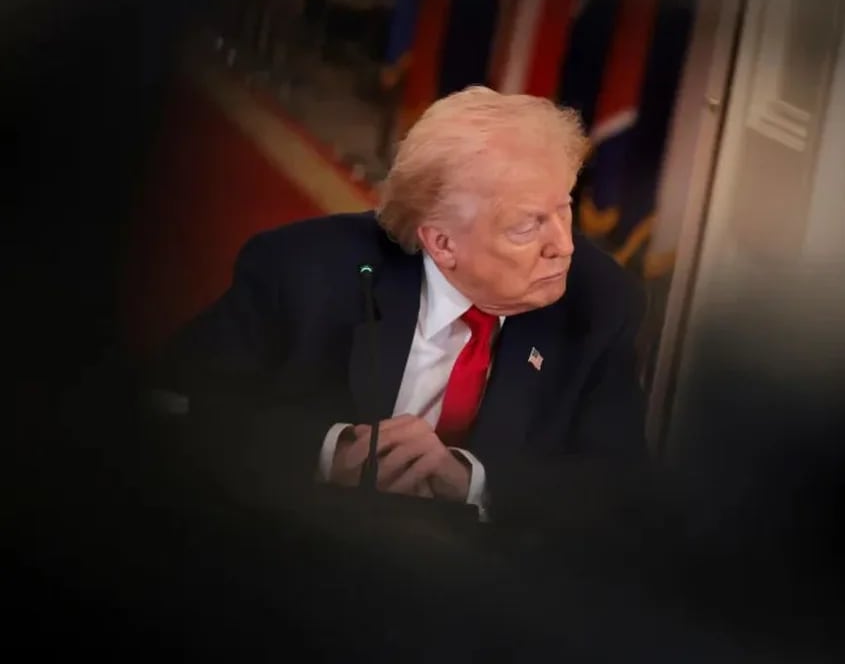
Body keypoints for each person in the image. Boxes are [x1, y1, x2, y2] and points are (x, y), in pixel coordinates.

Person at [155, 85, 647, 525]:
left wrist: (471, 481)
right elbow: (175, 400)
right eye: (526, 226)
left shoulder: (598, 299)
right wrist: (329, 453)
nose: (564, 245)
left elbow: (618, 485)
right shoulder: (306, 269)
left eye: (564, 209)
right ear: (442, 243)